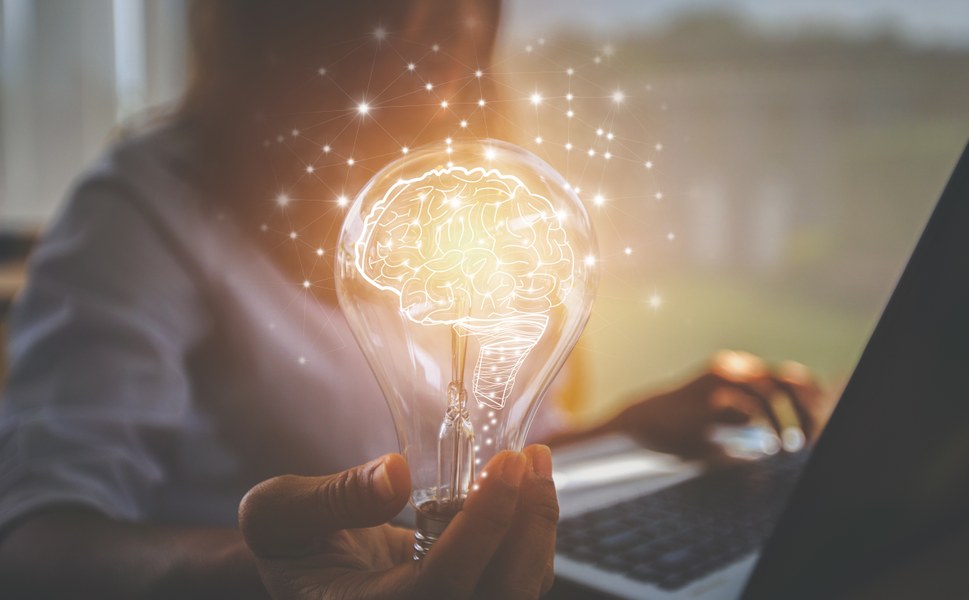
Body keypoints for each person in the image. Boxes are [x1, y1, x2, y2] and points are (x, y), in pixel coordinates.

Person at [0, 1, 830, 597]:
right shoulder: (140, 214)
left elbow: (484, 445)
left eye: (452, 10)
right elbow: (30, 545)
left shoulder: (477, 203)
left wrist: (622, 431)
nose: (419, 32)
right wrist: (260, 572)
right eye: (377, 7)